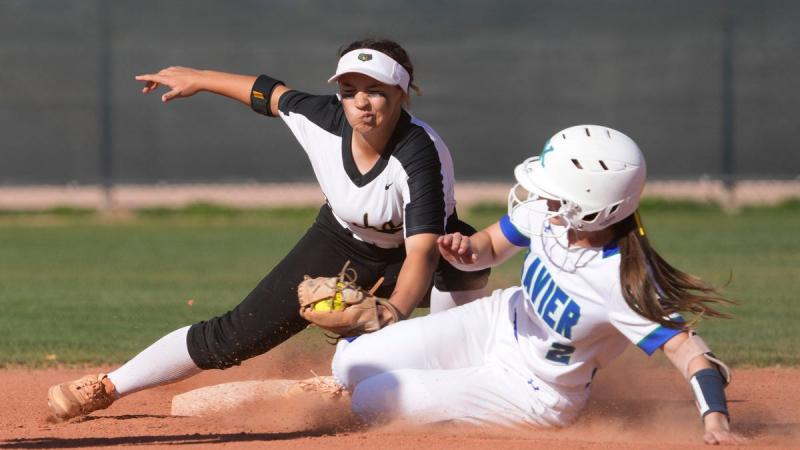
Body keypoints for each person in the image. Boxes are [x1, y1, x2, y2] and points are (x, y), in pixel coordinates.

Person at [47, 38, 489, 420]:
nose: (361, 102)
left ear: (401, 93)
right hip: (340, 238)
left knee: (448, 296)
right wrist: (199, 77)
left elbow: (421, 254)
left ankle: (418, 384)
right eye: (351, 90)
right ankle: (108, 386)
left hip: (423, 255)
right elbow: (269, 94)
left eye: (376, 91)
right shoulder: (322, 117)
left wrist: (392, 313)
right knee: (234, 335)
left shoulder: (418, 156)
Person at [331, 125, 745, 445]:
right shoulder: (552, 216)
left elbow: (691, 353)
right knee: (349, 365)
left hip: (533, 391)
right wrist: (467, 250)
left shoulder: (622, 279)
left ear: (594, 206)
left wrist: (716, 421)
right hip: (494, 322)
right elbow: (491, 243)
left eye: (555, 193)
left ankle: (458, 402)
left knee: (370, 399)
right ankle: (451, 385)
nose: (543, 198)